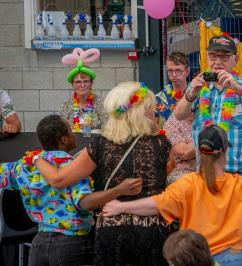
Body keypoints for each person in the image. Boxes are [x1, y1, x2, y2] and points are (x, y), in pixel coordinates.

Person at [102, 125, 242, 266]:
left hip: (195, 259)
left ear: (199, 151)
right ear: (225, 151)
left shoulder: (187, 184)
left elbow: (154, 204)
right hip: (232, 259)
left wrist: (121, 206)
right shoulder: (241, 184)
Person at [35, 82, 173, 265]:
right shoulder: (162, 144)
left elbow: (58, 179)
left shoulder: (101, 145)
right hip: (151, 231)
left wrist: (37, 158)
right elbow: (166, 187)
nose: (154, 114)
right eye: (150, 109)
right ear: (140, 113)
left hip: (111, 232)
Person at [174, 35, 242, 265]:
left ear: (234, 60)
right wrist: (191, 92)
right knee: (206, 235)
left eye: (224, 57)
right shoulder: (199, 86)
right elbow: (179, 115)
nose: (217, 62)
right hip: (206, 176)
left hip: (238, 174)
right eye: (213, 56)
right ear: (206, 58)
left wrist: (238, 89)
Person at [0, 114, 142, 266]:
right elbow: (85, 203)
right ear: (64, 139)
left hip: (39, 244)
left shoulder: (26, 164)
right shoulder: (72, 167)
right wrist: (119, 190)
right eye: (70, 129)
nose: (73, 133)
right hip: (71, 243)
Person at [59, 48, 106, 132]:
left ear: (91, 83)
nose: (82, 85)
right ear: (72, 85)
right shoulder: (66, 105)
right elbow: (61, 131)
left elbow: (108, 130)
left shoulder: (102, 104)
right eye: (78, 82)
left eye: (86, 81)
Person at [156, 51, 190, 128]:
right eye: (170, 71)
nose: (174, 75)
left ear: (187, 71)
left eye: (178, 71)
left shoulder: (197, 95)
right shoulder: (159, 99)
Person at [163, 113, 196, 184]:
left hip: (213, 170)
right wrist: (208, 136)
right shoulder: (173, 122)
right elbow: (184, 153)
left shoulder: (214, 114)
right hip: (184, 172)